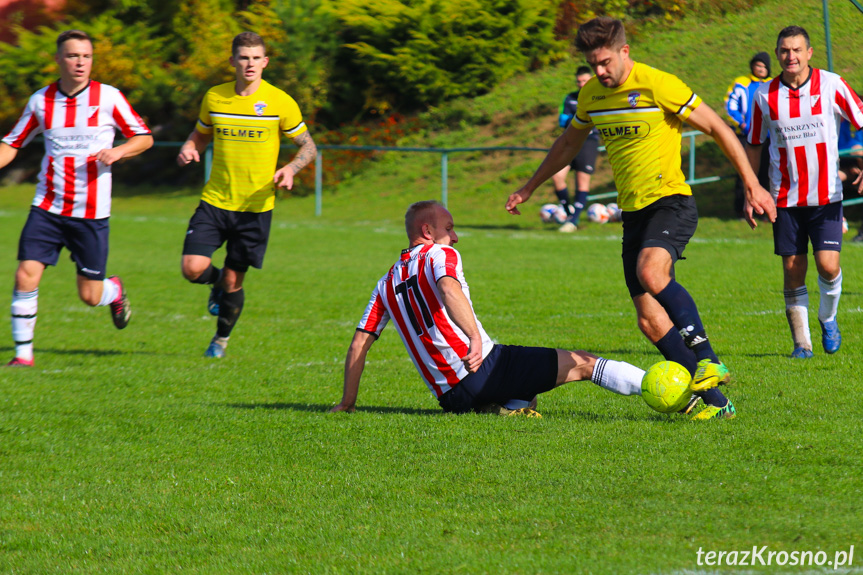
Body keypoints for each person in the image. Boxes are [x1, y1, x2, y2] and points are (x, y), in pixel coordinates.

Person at [505, 17, 777, 420]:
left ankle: (709, 359)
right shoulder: (593, 96)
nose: (599, 72)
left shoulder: (659, 84)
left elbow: (718, 128)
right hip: (633, 214)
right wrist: (529, 187)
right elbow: (567, 144)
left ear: (624, 52)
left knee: (652, 272)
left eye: (604, 62)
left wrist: (753, 185)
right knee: (650, 321)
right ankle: (719, 407)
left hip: (672, 202)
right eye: (592, 64)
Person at [330, 200, 663, 417]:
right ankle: (667, 391)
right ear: (427, 231)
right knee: (583, 363)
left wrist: (347, 403)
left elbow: (359, 344)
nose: (455, 237)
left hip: (451, 398)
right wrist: (474, 338)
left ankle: (505, 405)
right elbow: (448, 288)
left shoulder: (385, 283)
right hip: (483, 368)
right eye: (448, 228)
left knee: (526, 388)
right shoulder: (438, 255)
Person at [0, 29, 153, 367]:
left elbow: (143, 138)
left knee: (90, 295)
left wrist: (119, 151)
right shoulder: (41, 101)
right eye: (73, 55)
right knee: (26, 272)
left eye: (86, 56)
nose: (80, 62)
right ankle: (23, 356)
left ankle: (113, 291)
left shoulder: (109, 97)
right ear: (58, 60)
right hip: (48, 206)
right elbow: (12, 143)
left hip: (91, 212)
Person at [177, 32, 317, 358]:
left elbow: (308, 146)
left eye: (256, 57)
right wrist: (188, 147)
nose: (250, 63)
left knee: (233, 280)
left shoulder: (280, 101)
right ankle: (214, 286)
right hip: (215, 201)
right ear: (232, 61)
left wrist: (291, 169)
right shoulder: (215, 97)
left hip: (255, 208)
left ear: (265, 62)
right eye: (243, 57)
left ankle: (220, 340)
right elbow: (199, 135)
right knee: (192, 267)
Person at [746, 26, 863, 359]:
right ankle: (802, 343)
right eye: (784, 50)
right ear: (778, 53)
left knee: (828, 266)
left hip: (826, 194)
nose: (791, 56)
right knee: (793, 269)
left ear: (809, 53)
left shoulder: (832, 85)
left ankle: (828, 318)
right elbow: (753, 143)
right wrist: (751, 189)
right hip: (784, 197)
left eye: (797, 50)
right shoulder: (764, 95)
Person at [553, 65, 601, 232]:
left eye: (585, 80)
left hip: (589, 141)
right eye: (579, 81)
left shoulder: (598, 97)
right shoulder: (570, 98)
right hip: (570, 141)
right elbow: (562, 120)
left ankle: (574, 221)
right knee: (557, 176)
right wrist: (578, 119)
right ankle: (568, 214)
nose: (581, 84)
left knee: (582, 180)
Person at [725, 52, 773, 217]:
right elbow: (730, 106)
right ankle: (741, 210)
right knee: (744, 173)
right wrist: (743, 124)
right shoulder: (741, 83)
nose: (760, 69)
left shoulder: (773, 84)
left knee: (767, 173)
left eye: (763, 66)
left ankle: (765, 211)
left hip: (767, 138)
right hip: (746, 135)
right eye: (757, 65)